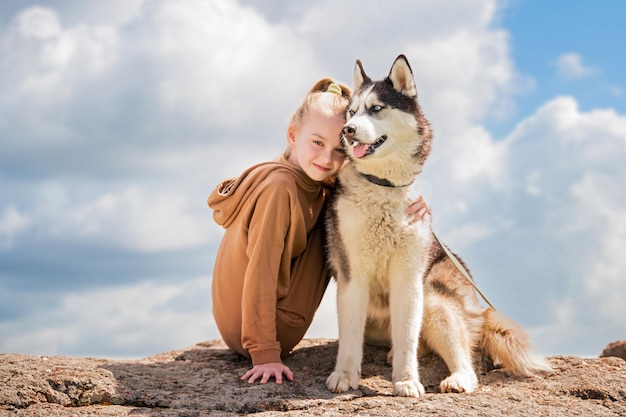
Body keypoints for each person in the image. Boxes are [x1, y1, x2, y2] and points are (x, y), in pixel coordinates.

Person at [208, 78, 430, 385]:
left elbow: (363, 189)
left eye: (341, 149)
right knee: (345, 222)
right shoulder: (278, 188)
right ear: (292, 135)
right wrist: (265, 354)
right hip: (259, 335)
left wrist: (408, 197)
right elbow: (262, 268)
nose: (327, 158)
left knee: (347, 212)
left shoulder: (316, 180)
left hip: (253, 326)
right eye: (317, 143)